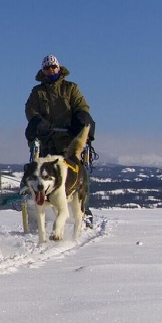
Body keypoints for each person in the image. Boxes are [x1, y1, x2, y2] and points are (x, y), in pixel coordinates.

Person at [25, 54, 96, 224]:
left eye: (53, 67)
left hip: (68, 141)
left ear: (59, 68)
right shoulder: (38, 92)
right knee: (43, 176)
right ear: (43, 70)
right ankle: (41, 209)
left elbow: (81, 106)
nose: (51, 70)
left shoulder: (70, 88)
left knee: (76, 176)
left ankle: (81, 210)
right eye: (47, 68)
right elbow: (30, 109)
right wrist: (38, 122)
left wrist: (81, 119)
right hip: (47, 141)